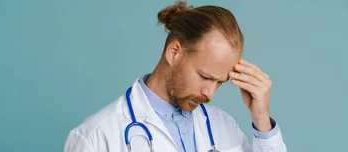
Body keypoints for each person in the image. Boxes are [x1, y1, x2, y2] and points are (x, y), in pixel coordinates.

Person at [64, 1, 287, 152]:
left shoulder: (222, 126)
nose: (209, 93)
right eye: (205, 76)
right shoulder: (96, 136)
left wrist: (261, 120)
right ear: (174, 52)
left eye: (220, 82)